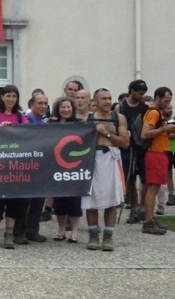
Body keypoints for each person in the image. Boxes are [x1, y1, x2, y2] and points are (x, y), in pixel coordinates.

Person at [83, 89, 130, 251]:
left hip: (111, 159)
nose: (108, 101)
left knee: (112, 200)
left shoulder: (119, 118)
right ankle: (93, 235)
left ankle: (108, 236)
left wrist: (106, 134)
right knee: (91, 200)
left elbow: (125, 143)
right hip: (92, 161)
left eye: (109, 98)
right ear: (95, 101)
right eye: (104, 98)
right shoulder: (88, 119)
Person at [0, 85, 28, 249]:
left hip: (16, 165)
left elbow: (28, 135)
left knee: (14, 201)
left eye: (14, 96)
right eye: (8, 95)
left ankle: (9, 233)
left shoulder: (21, 117)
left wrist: (15, 130)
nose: (11, 99)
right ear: (2, 97)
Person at [12, 91, 49, 245]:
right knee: (23, 201)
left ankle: (32, 231)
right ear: (31, 104)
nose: (43, 106)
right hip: (25, 166)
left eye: (45, 103)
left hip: (41, 167)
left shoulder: (46, 123)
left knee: (38, 200)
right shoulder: (24, 120)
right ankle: (18, 232)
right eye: (40, 103)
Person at [141, 87, 175, 235]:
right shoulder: (154, 113)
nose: (168, 104)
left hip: (160, 152)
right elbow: (145, 134)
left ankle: (150, 218)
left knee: (155, 188)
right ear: (158, 98)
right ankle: (148, 222)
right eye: (166, 101)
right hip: (155, 153)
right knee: (152, 188)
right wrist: (164, 129)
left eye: (169, 101)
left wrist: (167, 130)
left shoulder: (158, 113)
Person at [48, 97, 82, 244]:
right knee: (59, 199)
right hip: (57, 166)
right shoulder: (51, 124)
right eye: (63, 107)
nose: (66, 110)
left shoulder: (80, 124)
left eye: (68, 107)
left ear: (72, 109)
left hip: (74, 166)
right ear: (58, 109)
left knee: (74, 199)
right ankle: (61, 229)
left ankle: (74, 231)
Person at [114, 79, 149, 220]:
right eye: (140, 93)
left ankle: (143, 207)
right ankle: (134, 208)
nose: (142, 96)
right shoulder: (120, 107)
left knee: (145, 178)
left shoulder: (144, 107)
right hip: (126, 147)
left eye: (143, 93)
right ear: (132, 91)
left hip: (141, 146)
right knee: (130, 178)